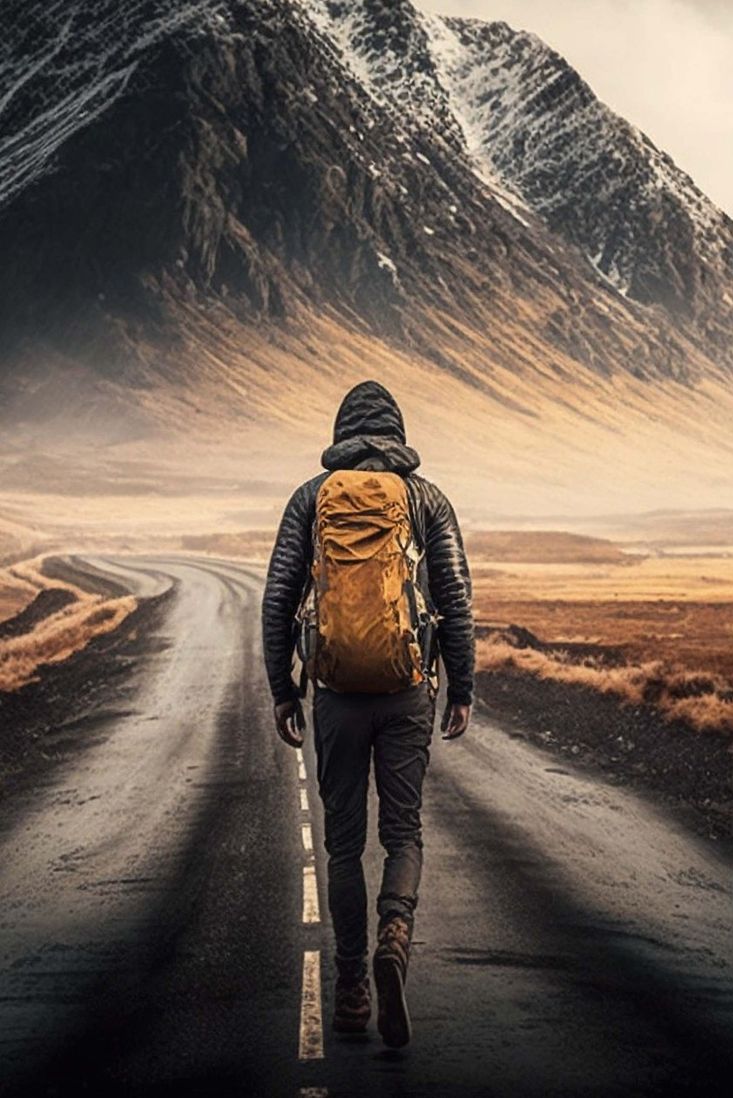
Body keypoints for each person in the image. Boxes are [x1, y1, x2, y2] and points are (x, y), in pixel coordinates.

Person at [261, 380, 475, 1048]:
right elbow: (455, 598)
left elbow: (278, 598)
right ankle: (395, 939)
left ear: (341, 432)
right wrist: (461, 686)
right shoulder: (425, 498)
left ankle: (350, 986)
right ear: (398, 432)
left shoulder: (311, 498)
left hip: (337, 698)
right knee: (403, 832)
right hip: (409, 691)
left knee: (344, 843)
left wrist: (283, 688)